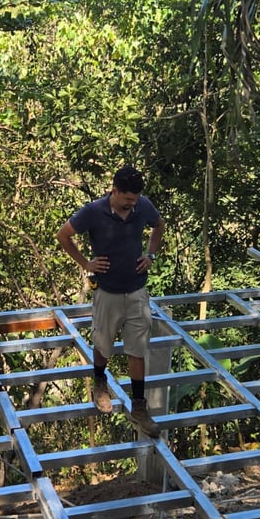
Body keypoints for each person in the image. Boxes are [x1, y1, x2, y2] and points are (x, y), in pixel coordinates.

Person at [56, 165, 165, 438]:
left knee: (137, 348)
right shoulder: (94, 211)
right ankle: (100, 381)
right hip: (107, 292)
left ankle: (139, 406)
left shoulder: (143, 206)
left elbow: (159, 225)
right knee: (103, 341)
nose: (132, 203)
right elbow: (63, 235)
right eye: (128, 198)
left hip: (137, 292)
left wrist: (151, 256)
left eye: (136, 199)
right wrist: (85, 263)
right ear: (114, 191)